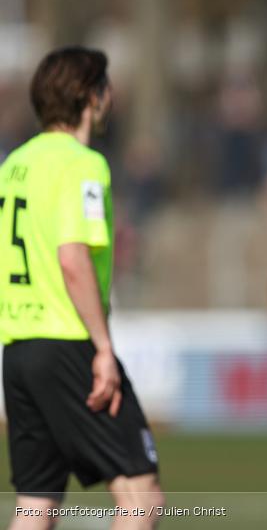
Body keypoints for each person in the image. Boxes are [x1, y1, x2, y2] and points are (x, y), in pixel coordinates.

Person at [0, 47, 163, 529]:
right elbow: (72, 258)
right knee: (141, 494)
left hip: (19, 349)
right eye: (106, 87)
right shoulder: (83, 164)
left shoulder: (13, 166)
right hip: (67, 343)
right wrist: (103, 347)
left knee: (36, 501)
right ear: (91, 96)